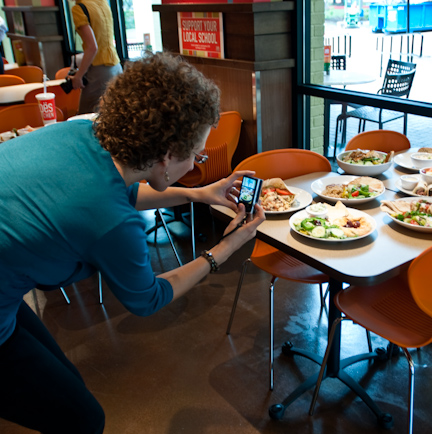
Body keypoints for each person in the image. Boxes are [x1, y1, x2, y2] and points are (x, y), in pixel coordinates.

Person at [0, 52, 265, 434]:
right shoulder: (113, 226)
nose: (194, 166)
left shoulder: (81, 133)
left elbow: (116, 193)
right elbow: (148, 299)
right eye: (194, 155)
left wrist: (198, 194)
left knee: (64, 382)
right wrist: (228, 246)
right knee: (83, 418)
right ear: (167, 155)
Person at [70, 0, 123, 114]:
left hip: (99, 71)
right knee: (114, 113)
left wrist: (78, 76)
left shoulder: (79, 8)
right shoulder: (103, 3)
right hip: (116, 66)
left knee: (87, 117)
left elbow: (92, 47)